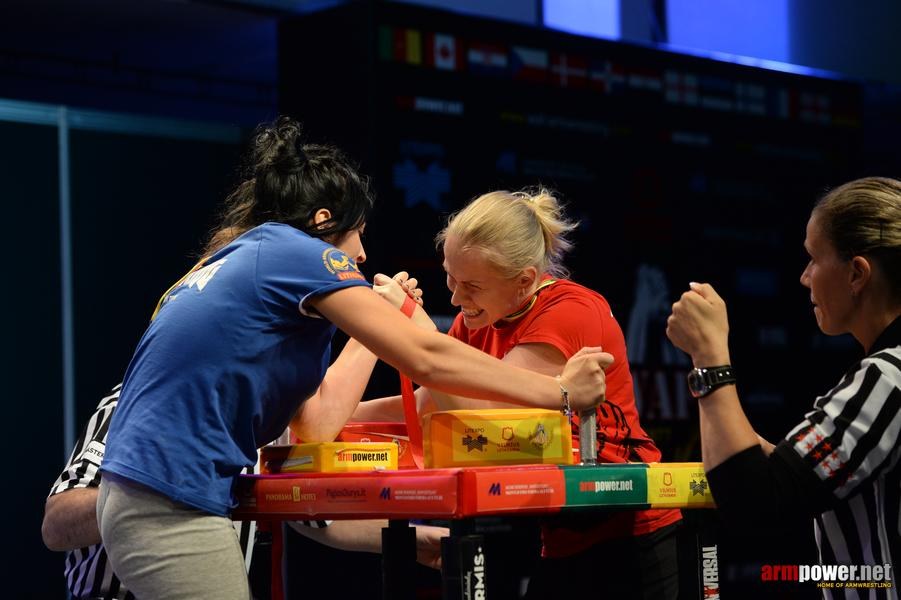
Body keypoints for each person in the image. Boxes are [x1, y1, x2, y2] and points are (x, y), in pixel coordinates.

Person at [95, 118, 613, 600]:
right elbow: (426, 356)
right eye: (357, 231)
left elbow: (318, 424)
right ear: (324, 221)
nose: (362, 254)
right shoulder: (291, 252)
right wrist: (560, 392)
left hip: (151, 497)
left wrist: (373, 329)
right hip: (168, 501)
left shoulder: (252, 266)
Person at [357, 188, 683, 599]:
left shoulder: (570, 310)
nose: (457, 298)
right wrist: (332, 418)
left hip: (633, 530)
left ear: (525, 280)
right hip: (564, 534)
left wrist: (413, 328)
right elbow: (430, 401)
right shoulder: (474, 322)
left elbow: (489, 421)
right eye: (450, 278)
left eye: (472, 285)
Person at [666, 176, 901, 583]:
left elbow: (756, 505)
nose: (805, 277)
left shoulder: (887, 379)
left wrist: (710, 358)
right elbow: (796, 479)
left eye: (814, 258)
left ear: (857, 274)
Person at [43, 382, 446, 599]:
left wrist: (410, 540)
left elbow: (313, 517)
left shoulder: (264, 417)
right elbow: (56, 526)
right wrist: (160, 487)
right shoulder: (132, 405)